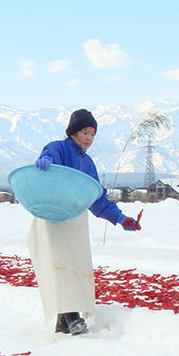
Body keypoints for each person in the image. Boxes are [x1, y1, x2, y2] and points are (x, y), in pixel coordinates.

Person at [27, 108, 141, 335]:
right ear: (73, 132)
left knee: (76, 265)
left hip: (75, 219)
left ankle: (64, 320)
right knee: (59, 264)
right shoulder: (58, 148)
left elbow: (96, 197)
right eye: (85, 132)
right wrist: (45, 161)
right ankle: (72, 316)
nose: (89, 138)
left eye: (92, 134)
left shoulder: (88, 163)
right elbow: (48, 158)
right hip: (53, 218)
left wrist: (119, 218)